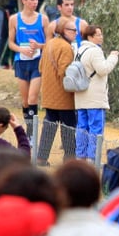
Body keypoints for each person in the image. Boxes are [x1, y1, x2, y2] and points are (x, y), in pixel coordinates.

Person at [72, 24, 119, 161]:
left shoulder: (79, 50)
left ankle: (80, 155)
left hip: (81, 96)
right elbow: (103, 69)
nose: (101, 37)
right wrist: (113, 57)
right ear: (90, 36)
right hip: (94, 97)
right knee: (96, 128)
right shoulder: (95, 51)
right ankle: (92, 158)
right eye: (98, 34)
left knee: (82, 127)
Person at [38, 18, 79, 165]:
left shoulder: (49, 44)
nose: (76, 33)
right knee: (68, 128)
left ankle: (41, 158)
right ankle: (70, 159)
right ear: (63, 31)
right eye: (72, 30)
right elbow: (65, 72)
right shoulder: (66, 48)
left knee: (49, 126)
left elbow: (40, 67)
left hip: (48, 94)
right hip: (63, 96)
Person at [9, 0, 46, 127]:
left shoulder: (43, 19)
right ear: (24, 1)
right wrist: (21, 49)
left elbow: (49, 43)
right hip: (21, 62)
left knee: (33, 98)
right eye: (32, 0)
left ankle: (31, 132)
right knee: (25, 101)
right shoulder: (14, 19)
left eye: (36, 0)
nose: (35, 2)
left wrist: (38, 46)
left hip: (37, 62)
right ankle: (29, 127)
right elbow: (10, 43)